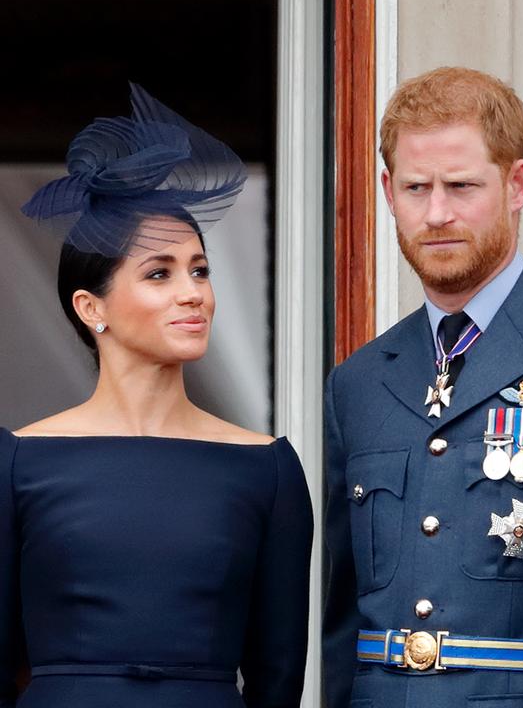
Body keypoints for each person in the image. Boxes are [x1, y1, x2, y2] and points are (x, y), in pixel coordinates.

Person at [0, 84, 313, 708]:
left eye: (200, 269)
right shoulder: (15, 463)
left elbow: (278, 676)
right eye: (159, 273)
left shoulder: (267, 466)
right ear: (92, 308)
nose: (192, 291)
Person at [322, 67, 523, 708]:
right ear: (387, 190)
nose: (436, 213)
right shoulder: (358, 382)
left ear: (517, 185)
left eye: (461, 186)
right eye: (415, 188)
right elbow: (342, 623)